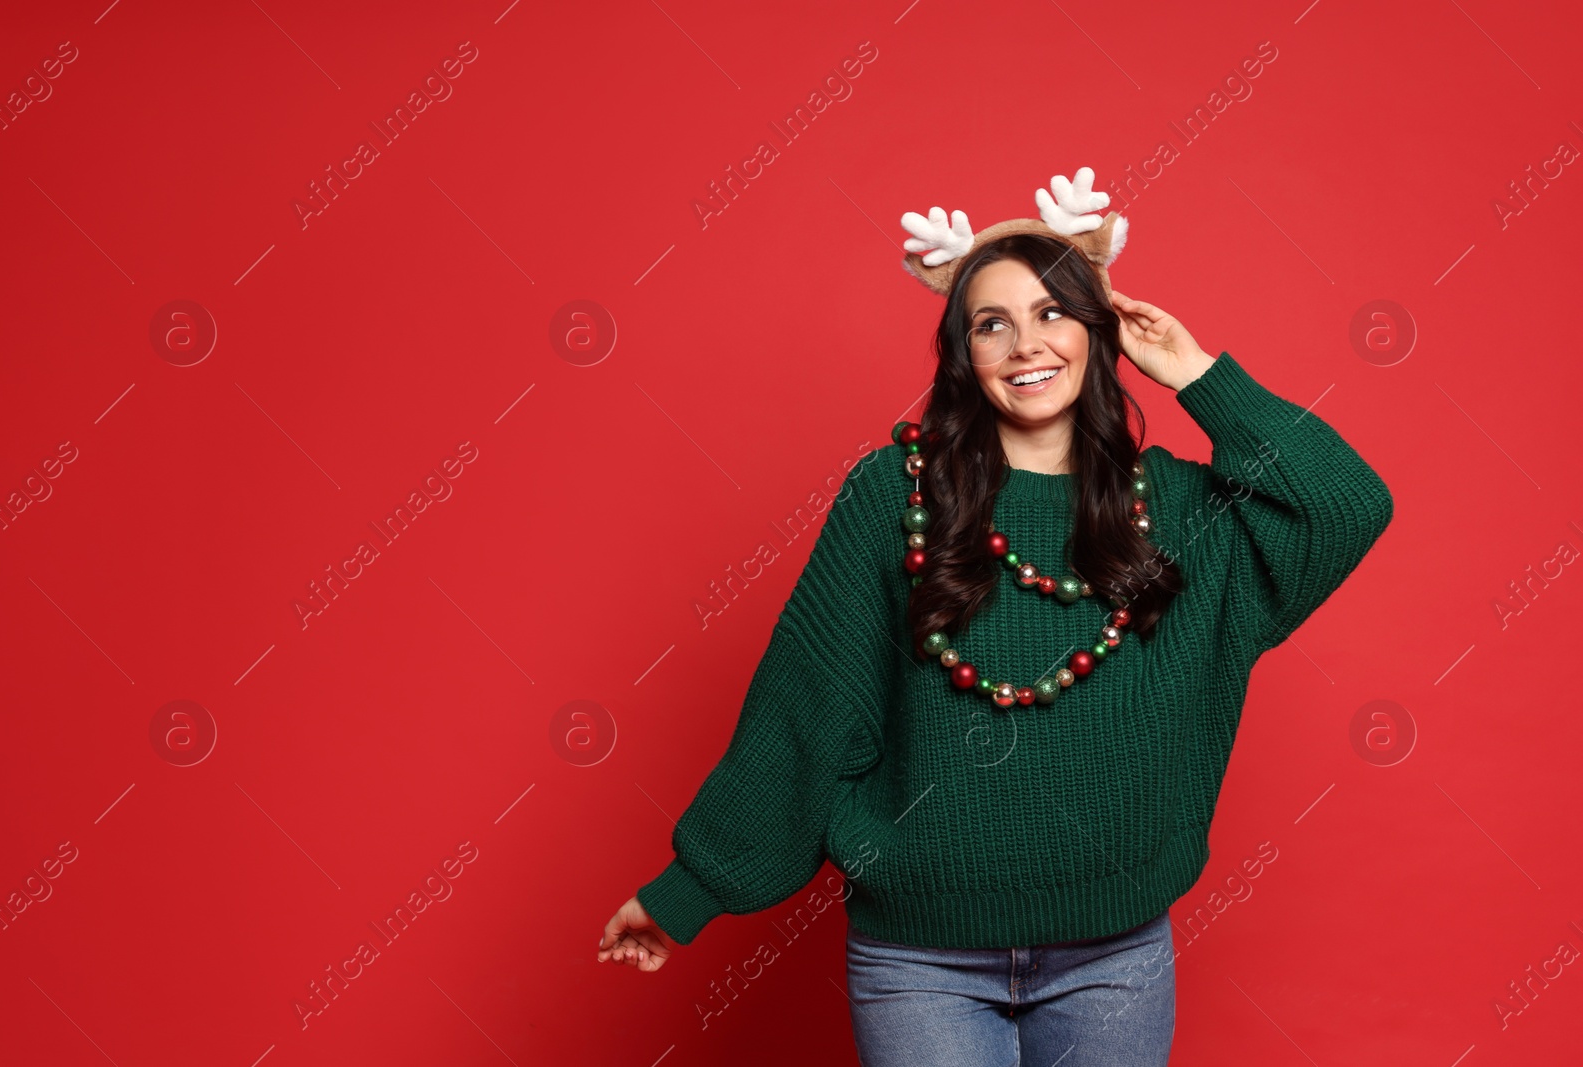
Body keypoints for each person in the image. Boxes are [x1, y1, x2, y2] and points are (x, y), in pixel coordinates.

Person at [595, 168, 1394, 1065]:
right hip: (918, 963)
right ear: (962, 353)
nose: (1026, 344)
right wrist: (691, 889)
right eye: (992, 323)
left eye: (1054, 312)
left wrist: (1199, 375)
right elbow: (807, 708)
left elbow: (1345, 503)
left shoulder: (1174, 511)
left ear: (1099, 333)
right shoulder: (893, 497)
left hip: (1115, 959)